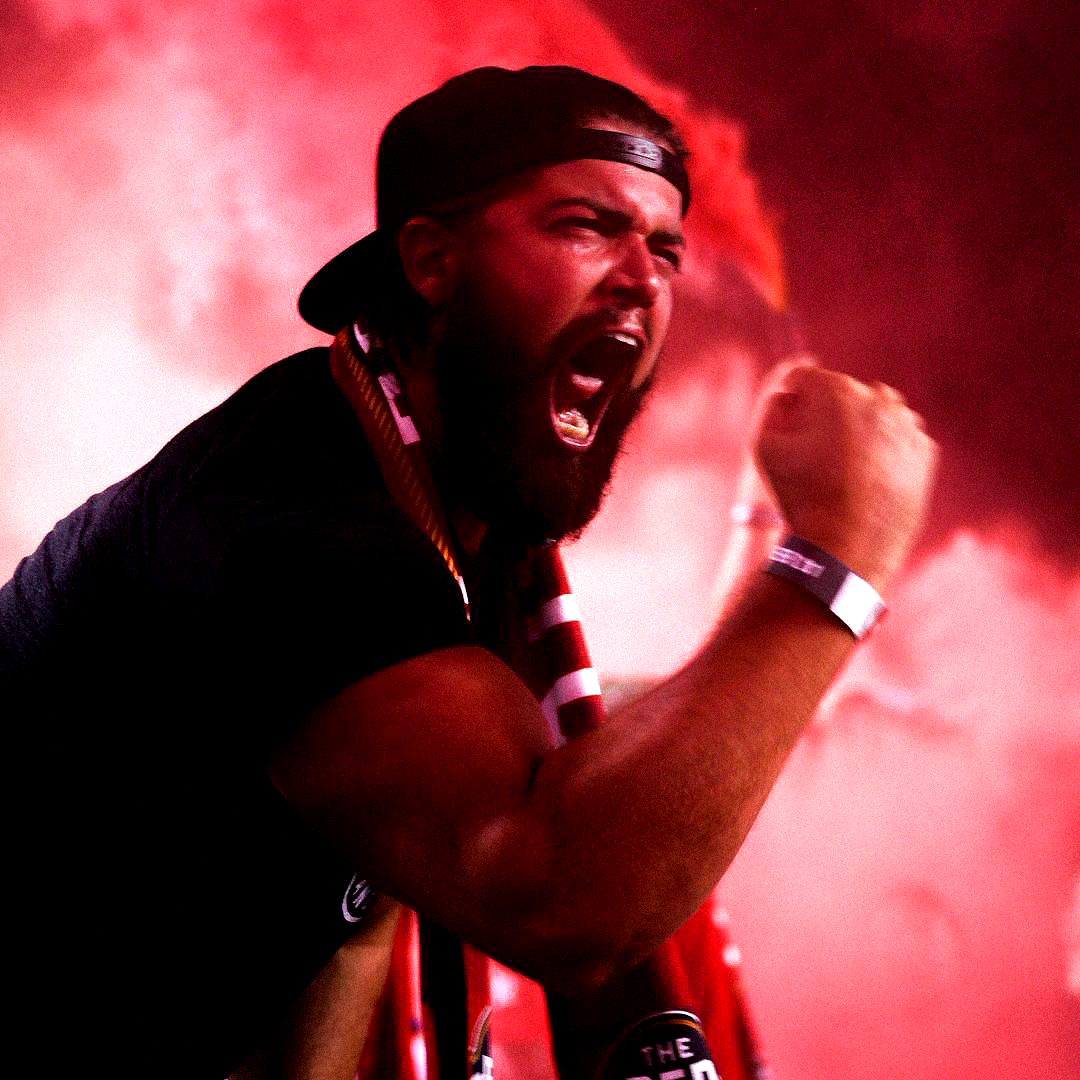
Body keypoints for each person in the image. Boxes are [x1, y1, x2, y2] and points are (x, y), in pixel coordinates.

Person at [0, 66, 936, 1079]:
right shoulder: (291, 530)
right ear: (431, 262)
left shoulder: (435, 495)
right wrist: (834, 560)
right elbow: (567, 895)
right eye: (586, 226)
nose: (643, 278)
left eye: (665, 247)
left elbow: (353, 912)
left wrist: (764, 534)